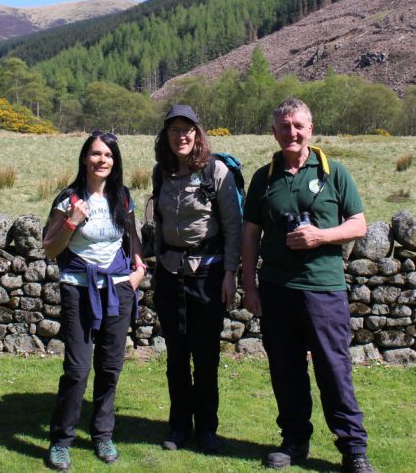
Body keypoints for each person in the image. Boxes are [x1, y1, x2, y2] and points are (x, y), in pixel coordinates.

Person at [241, 99, 376, 473]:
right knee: (285, 369)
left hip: (323, 288)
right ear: (274, 133)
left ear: (311, 128)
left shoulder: (335, 172)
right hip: (276, 287)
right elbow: (250, 234)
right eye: (284, 127)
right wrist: (249, 285)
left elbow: (359, 224)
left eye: (298, 126)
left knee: (334, 368)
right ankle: (294, 441)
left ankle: (353, 450)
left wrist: (321, 236)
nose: (292, 133)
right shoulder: (263, 178)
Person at [42, 130, 147, 471]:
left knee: (110, 367)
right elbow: (50, 248)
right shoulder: (69, 198)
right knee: (76, 369)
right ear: (85, 158)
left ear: (115, 162)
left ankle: (102, 434)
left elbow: (133, 238)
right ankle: (61, 441)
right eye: (96, 154)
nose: (102, 160)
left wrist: (139, 270)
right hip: (78, 288)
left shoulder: (123, 197)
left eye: (108, 155)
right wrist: (72, 222)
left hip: (117, 290)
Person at [150, 104, 242, 454]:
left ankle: (206, 428)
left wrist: (230, 275)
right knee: (176, 356)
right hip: (171, 275)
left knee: (205, 358)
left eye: (187, 129)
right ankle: (178, 427)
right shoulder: (161, 172)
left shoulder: (215, 171)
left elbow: (233, 227)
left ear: (197, 133)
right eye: (174, 130)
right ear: (166, 136)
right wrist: (158, 263)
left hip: (208, 273)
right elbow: (158, 223)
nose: (181, 136)